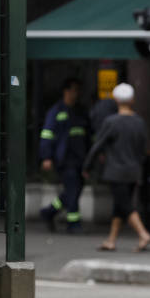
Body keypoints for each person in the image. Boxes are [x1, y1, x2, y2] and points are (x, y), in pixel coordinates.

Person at [82, 83, 150, 253]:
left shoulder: (111, 122)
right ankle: (111, 240)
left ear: (116, 100)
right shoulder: (139, 122)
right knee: (119, 206)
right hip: (134, 170)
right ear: (132, 100)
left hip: (116, 171)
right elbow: (143, 149)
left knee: (125, 205)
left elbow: (98, 145)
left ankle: (143, 234)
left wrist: (87, 166)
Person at [38, 78, 90, 233]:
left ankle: (49, 212)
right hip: (64, 159)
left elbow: (89, 134)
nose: (77, 93)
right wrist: (46, 156)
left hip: (80, 158)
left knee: (74, 189)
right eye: (74, 89)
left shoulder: (80, 111)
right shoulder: (56, 111)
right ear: (66, 91)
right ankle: (73, 224)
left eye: (78, 90)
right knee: (73, 188)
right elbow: (47, 134)